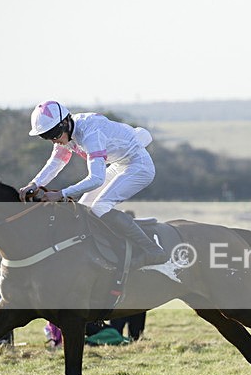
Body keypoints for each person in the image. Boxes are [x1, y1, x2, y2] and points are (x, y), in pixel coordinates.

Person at [18, 101, 166, 268]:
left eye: (54, 134)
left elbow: (96, 179)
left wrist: (61, 194)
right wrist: (34, 183)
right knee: (82, 208)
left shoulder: (90, 134)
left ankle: (153, 250)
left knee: (99, 208)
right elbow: (56, 162)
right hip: (119, 164)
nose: (53, 140)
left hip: (138, 165)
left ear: (65, 122)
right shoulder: (66, 132)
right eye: (46, 136)